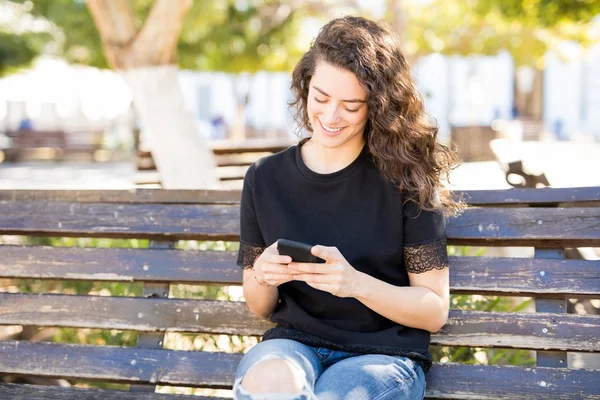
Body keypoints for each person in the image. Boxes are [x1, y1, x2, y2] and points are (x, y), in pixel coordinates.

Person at [234, 15, 462, 400]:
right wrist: (263, 274)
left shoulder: (407, 180)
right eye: (321, 98)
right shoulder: (264, 178)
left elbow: (434, 309)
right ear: (306, 85)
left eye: (351, 105)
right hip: (293, 344)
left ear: (377, 106)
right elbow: (260, 305)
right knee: (267, 386)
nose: (330, 116)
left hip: (383, 356)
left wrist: (355, 284)